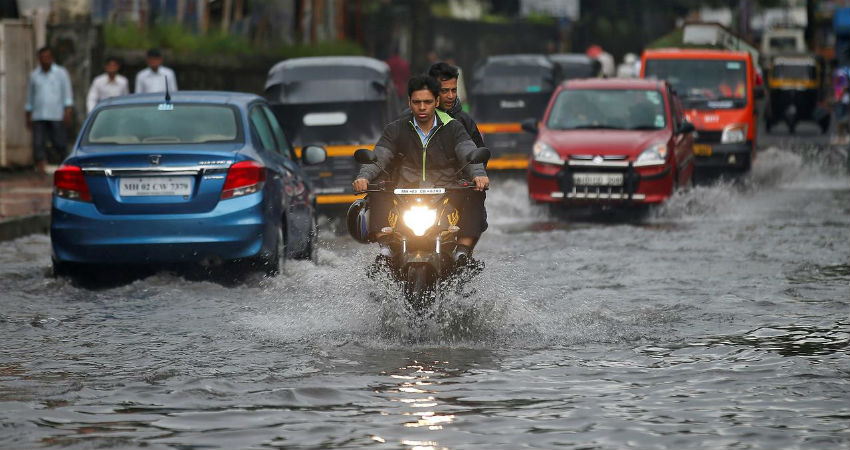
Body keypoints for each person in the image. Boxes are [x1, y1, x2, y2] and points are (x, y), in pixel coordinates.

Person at [352, 75, 490, 264]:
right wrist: (364, 177)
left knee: (475, 192)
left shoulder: (454, 128)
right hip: (404, 196)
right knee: (378, 188)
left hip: (446, 195)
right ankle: (385, 250)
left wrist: (479, 175)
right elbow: (379, 157)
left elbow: (468, 152)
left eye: (427, 102)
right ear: (409, 102)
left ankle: (462, 252)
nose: (422, 107)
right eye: (417, 102)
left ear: (437, 102)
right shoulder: (395, 129)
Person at [25, 46, 73, 175]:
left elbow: (67, 92)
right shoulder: (34, 75)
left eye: (47, 57)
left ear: (52, 58)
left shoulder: (61, 73)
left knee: (59, 141)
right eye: (42, 58)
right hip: (38, 114)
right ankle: (40, 166)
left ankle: (64, 164)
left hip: (56, 114)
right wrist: (28, 112)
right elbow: (30, 95)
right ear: (39, 59)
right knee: (38, 142)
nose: (45, 60)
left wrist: (67, 110)